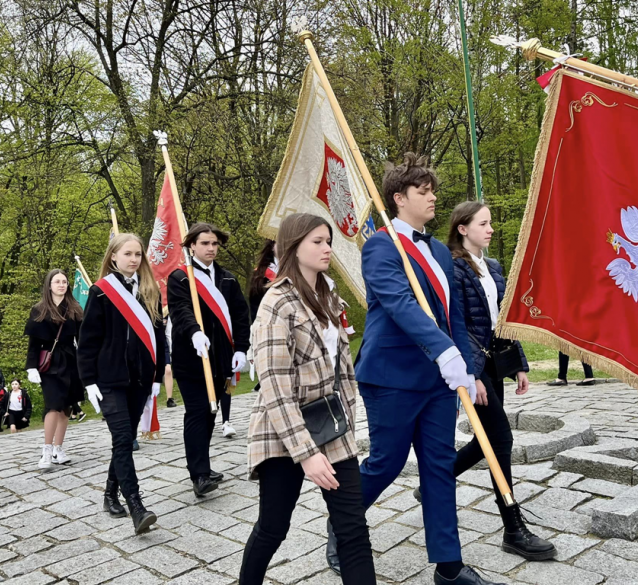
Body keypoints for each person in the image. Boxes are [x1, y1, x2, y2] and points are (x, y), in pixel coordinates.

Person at [329, 154, 503, 585]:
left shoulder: (441, 251)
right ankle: (343, 520)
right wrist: (444, 352)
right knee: (387, 463)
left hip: (439, 380)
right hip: (392, 376)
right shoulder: (381, 246)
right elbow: (399, 303)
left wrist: (466, 364)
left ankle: (448, 566)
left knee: (439, 465)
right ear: (398, 198)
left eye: (432, 190)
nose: (432, 197)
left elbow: (453, 316)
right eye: (422, 192)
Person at [411, 201, 555, 560]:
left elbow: (504, 320)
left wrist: (518, 364)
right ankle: (513, 528)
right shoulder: (454, 269)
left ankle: (435, 480)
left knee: (487, 440)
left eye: (490, 223)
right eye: (483, 223)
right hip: (473, 366)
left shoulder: (493, 267)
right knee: (501, 439)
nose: (490, 229)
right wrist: (471, 375)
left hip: (495, 365)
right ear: (462, 228)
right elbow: (455, 324)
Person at [241, 213, 375, 585]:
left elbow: (342, 369)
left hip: (332, 427)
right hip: (284, 433)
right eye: (317, 241)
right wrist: (306, 453)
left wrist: (347, 422)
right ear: (292, 246)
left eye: (328, 240)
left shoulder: (328, 295)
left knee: (353, 529)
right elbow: (275, 386)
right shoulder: (276, 303)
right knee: (273, 527)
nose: (327, 247)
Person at [78, 233, 165, 535]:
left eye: (138, 254)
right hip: (109, 381)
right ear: (113, 256)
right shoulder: (101, 292)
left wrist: (157, 377)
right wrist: (88, 381)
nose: (133, 259)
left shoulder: (150, 290)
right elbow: (87, 342)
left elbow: (159, 337)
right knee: (123, 437)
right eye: (127, 253)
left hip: (140, 380)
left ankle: (108, 494)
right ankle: (136, 506)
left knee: (124, 441)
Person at [167, 222, 250, 496]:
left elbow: (240, 315)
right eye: (205, 243)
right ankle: (199, 475)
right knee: (198, 409)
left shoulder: (227, 279)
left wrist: (241, 348)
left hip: (220, 357)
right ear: (192, 245)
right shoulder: (179, 278)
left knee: (211, 410)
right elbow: (180, 310)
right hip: (191, 358)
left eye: (214, 244)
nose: (211, 248)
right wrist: (194, 332)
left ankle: (203, 464)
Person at [25, 269, 85, 470]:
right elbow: (33, 342)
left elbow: (83, 339)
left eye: (64, 281)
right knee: (52, 404)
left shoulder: (75, 308)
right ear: (49, 285)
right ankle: (47, 449)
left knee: (66, 406)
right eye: (57, 281)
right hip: (49, 363)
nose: (62, 285)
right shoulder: (39, 309)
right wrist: (31, 367)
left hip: (70, 361)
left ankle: (59, 448)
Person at [163, 316, 177, 408]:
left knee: (168, 369)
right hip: (150, 340)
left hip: (163, 342)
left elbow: (168, 331)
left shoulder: (166, 310)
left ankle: (169, 398)